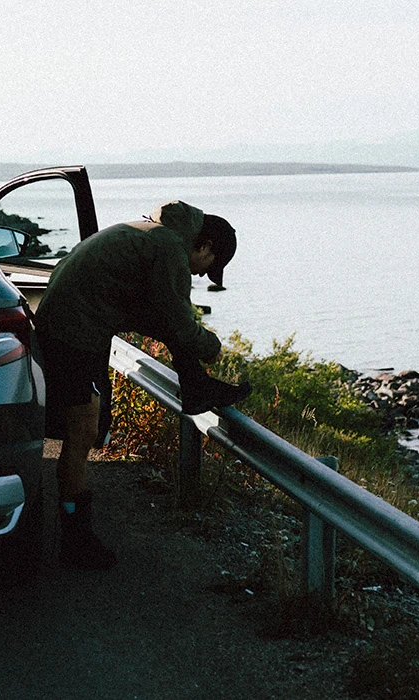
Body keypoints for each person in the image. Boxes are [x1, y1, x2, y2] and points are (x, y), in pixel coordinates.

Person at [33, 200, 250, 570]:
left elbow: (151, 315)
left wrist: (185, 345)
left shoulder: (153, 234)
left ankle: (198, 389)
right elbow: (179, 322)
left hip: (66, 322)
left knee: (84, 427)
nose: (201, 277)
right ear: (206, 246)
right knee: (82, 431)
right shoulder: (170, 251)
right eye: (209, 269)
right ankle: (74, 539)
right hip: (74, 333)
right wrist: (210, 346)